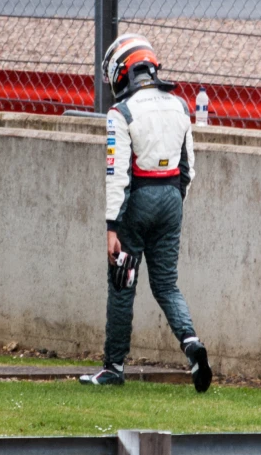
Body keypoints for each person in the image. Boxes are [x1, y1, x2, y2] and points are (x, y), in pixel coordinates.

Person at [79, 34, 213, 392]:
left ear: (123, 72)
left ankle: (113, 367)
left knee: (123, 284)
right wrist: (172, 202)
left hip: (136, 201)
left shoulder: (121, 113)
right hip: (171, 199)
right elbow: (189, 169)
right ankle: (192, 345)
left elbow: (116, 175)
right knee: (167, 284)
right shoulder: (180, 106)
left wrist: (112, 226)